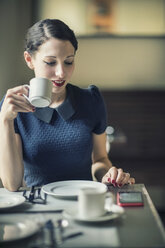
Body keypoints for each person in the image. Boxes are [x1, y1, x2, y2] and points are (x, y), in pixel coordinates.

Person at [0, 19, 135, 191]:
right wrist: (5, 121)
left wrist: (108, 175)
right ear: (29, 59)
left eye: (68, 61)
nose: (61, 72)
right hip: (39, 204)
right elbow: (12, 184)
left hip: (83, 201)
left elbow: (99, 159)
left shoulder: (91, 100)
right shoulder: (13, 106)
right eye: (50, 62)